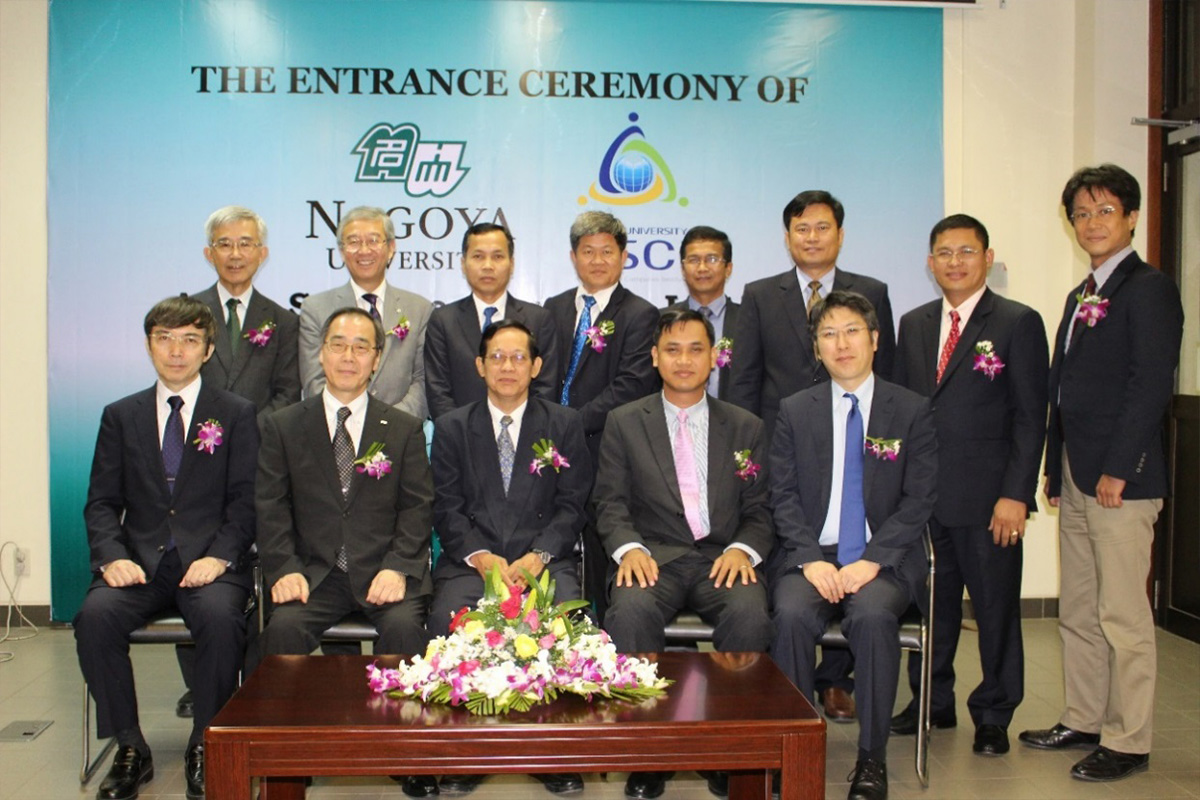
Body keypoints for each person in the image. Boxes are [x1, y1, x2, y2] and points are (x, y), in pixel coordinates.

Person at [1018, 164, 1183, 782]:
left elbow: (1149, 386)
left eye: (1105, 211)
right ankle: (1084, 717)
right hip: (1077, 473)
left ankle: (1129, 739)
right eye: (1082, 214)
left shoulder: (1149, 288)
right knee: (1080, 609)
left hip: (1122, 481)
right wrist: (1054, 468)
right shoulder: (1082, 293)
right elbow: (1063, 388)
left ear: (1132, 217)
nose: (1092, 223)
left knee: (1123, 617)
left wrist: (1119, 468)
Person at [75, 296, 258, 800]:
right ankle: (131, 746)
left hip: (211, 563)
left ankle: (207, 740)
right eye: (165, 339)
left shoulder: (237, 413)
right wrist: (113, 557)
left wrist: (219, 556)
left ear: (207, 349)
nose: (176, 351)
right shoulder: (121, 415)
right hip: (141, 562)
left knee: (222, 621)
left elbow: (247, 501)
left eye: (189, 340)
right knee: (94, 617)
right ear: (149, 344)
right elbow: (101, 502)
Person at [595, 308, 774, 800]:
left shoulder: (746, 427)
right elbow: (609, 502)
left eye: (696, 349)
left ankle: (729, 753)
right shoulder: (625, 422)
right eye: (672, 350)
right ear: (654, 357)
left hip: (722, 559)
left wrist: (743, 549)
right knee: (628, 614)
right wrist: (628, 548)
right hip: (654, 557)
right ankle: (650, 754)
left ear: (714, 357)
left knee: (750, 617)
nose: (684, 360)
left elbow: (762, 508)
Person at [730, 191, 897, 719]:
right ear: (788, 237)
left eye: (822, 228)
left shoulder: (871, 292)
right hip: (787, 451)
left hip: (853, 446)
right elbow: (746, 378)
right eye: (801, 228)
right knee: (801, 572)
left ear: (840, 234)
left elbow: (885, 379)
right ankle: (791, 700)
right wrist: (745, 454)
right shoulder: (759, 294)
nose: (812, 237)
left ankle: (835, 678)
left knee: (849, 559)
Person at [256, 307, 434, 795]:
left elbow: (418, 508)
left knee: (403, 628)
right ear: (320, 352)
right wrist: (284, 568)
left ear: (377, 359)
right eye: (338, 344)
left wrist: (399, 567)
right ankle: (290, 756)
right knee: (284, 630)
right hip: (315, 574)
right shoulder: (283, 425)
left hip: (383, 572)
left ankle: (406, 752)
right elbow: (270, 507)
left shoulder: (401, 427)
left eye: (361, 347)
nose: (348, 356)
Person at [769, 291, 937, 800]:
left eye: (852, 331)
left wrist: (873, 560)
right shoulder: (795, 410)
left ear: (874, 339)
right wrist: (807, 558)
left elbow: (919, 498)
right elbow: (782, 494)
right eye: (828, 334)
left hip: (883, 560)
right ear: (816, 348)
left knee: (871, 617)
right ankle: (796, 750)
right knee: (792, 615)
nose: (841, 344)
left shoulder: (910, 410)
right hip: (812, 558)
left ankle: (872, 758)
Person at [891, 214, 1049, 756]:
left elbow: (1031, 417)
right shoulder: (913, 323)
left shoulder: (1016, 322)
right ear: (930, 262)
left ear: (986, 257)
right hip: (924, 500)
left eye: (966, 251)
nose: (954, 262)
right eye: (943, 252)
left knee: (996, 608)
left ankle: (994, 712)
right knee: (929, 607)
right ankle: (932, 702)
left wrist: (1016, 495)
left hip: (989, 501)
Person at [429, 320, 591, 797]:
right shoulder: (454, 426)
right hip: (471, 562)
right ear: (479, 366)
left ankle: (553, 752)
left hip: (544, 560)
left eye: (518, 357)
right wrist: (480, 556)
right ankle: (463, 753)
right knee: (446, 617)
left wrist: (539, 554)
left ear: (536, 367)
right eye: (496, 357)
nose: (507, 366)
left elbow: (574, 503)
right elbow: (446, 506)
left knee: (562, 622)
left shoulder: (563, 423)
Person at [172, 205, 299, 720]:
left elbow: (288, 393)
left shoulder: (283, 320)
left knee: (250, 566)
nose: (235, 253)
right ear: (209, 253)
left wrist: (242, 435)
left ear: (262, 254)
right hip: (191, 464)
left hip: (261, 458)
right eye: (224, 244)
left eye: (246, 243)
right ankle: (201, 679)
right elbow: (177, 382)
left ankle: (245, 677)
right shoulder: (184, 313)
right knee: (190, 560)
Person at [544, 210, 660, 618]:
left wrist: (568, 423)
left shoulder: (641, 315)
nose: (597, 260)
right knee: (550, 553)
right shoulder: (553, 308)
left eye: (606, 251)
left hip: (604, 451)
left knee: (600, 555)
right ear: (573, 256)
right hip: (549, 452)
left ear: (624, 256)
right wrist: (545, 425)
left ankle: (606, 646)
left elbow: (631, 386)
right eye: (587, 251)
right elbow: (542, 373)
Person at [299, 206, 432, 419]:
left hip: (399, 434)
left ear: (391, 248)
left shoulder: (419, 309)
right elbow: (314, 382)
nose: (364, 250)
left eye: (373, 240)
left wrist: (388, 424)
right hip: (335, 430)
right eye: (353, 242)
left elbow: (423, 381)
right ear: (342, 251)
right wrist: (348, 421)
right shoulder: (315, 308)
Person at [424, 223, 560, 420]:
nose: (488, 265)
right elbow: (438, 392)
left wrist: (515, 433)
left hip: (524, 440)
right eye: (478, 256)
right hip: (461, 441)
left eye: (497, 256)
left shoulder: (539, 319)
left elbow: (546, 389)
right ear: (463, 264)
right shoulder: (443, 320)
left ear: (511, 264)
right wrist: (461, 435)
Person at [664, 225, 739, 400]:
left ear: (728, 268)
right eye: (694, 260)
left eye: (712, 259)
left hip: (735, 423)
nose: (702, 268)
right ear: (683, 269)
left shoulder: (748, 320)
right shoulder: (662, 320)